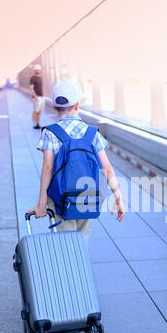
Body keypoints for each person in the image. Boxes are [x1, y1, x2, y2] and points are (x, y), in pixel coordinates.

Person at [28, 79, 124, 242]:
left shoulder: (50, 133)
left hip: (61, 199)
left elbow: (48, 169)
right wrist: (118, 197)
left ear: (55, 106)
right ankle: (80, 266)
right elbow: (106, 167)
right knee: (82, 241)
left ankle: (68, 266)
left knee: (65, 243)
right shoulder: (92, 133)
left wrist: (41, 203)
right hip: (88, 198)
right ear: (78, 105)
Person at [29, 64, 45, 129]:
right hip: (37, 97)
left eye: (38, 70)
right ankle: (34, 124)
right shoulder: (33, 78)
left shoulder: (40, 78)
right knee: (35, 111)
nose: (37, 71)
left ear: (40, 70)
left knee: (39, 111)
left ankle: (38, 124)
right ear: (34, 70)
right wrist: (35, 96)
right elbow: (31, 88)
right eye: (36, 70)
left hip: (42, 97)